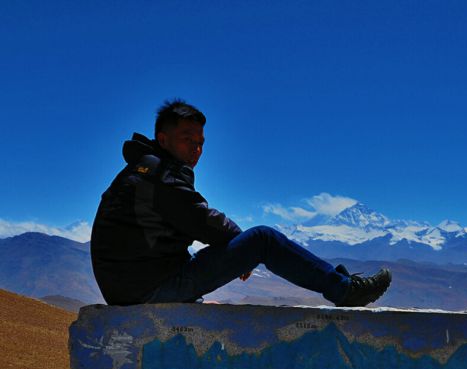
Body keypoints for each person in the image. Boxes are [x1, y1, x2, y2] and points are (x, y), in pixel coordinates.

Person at [91, 99, 392, 307]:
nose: (196, 149)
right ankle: (344, 290)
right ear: (163, 139)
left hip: (133, 287)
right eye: (187, 139)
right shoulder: (159, 175)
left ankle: (335, 280)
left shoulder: (143, 171)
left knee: (254, 242)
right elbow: (200, 220)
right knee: (263, 239)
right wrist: (241, 244)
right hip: (149, 289)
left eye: (200, 143)